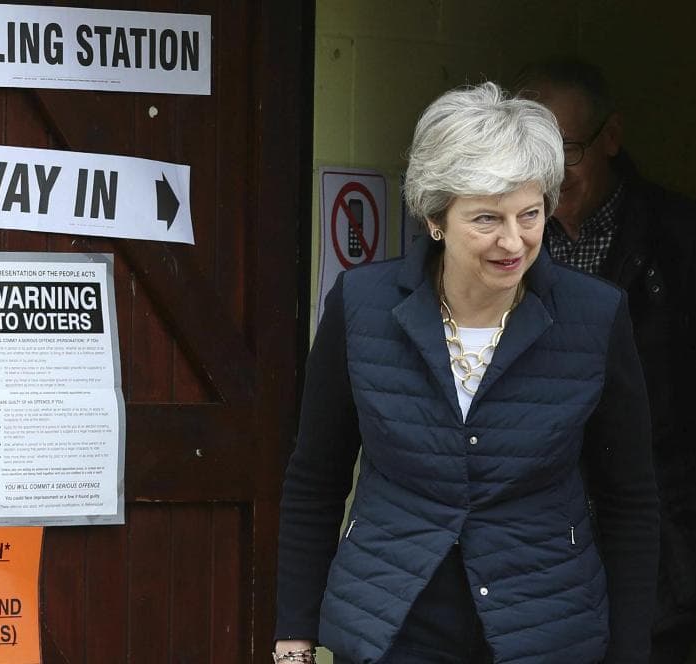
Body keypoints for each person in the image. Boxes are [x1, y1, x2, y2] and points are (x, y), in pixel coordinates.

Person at [273, 82, 659, 664]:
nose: (514, 241)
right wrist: (294, 637)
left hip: (545, 626)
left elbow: (630, 498)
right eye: (486, 218)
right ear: (436, 217)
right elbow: (315, 479)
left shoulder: (595, 315)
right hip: (395, 624)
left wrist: (630, 651)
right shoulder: (362, 305)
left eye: (529, 214)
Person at [515, 59, 696, 664]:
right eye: (530, 151)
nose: (550, 174)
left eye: (567, 149)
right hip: (528, 558)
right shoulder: (497, 244)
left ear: (612, 137)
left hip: (661, 556)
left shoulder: (694, 244)